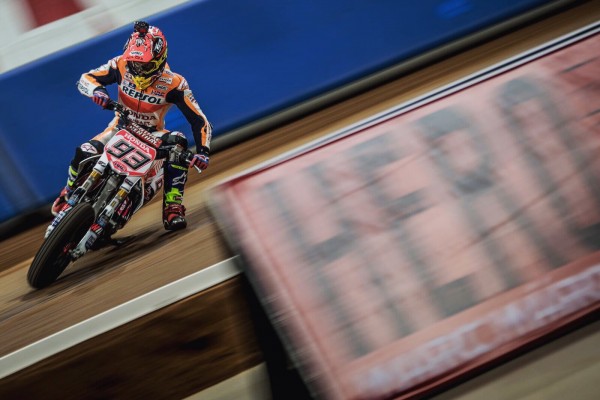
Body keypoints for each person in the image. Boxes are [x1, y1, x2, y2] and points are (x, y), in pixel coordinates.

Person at [52, 20, 212, 231]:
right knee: (84, 152)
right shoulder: (120, 64)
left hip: (152, 134)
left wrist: (203, 152)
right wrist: (97, 91)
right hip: (120, 126)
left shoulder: (175, 83)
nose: (136, 68)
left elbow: (199, 120)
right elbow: (86, 78)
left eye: (143, 64)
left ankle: (172, 207)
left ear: (158, 59)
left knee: (179, 143)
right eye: (134, 62)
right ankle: (69, 191)